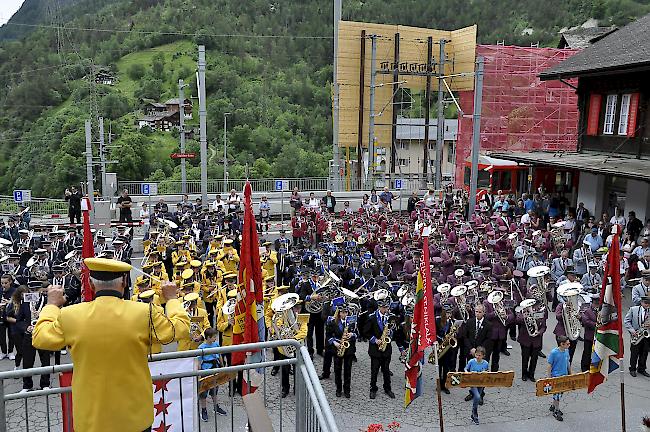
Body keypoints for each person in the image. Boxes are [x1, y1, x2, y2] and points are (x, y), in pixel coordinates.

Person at [32, 258, 190, 432]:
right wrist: (173, 299)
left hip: (91, 419)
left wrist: (52, 305)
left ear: (91, 284)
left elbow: (40, 338)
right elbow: (180, 329)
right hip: (134, 416)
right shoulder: (144, 312)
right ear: (123, 282)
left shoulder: (70, 315)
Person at [363, 296, 395, 400]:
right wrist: (375, 340)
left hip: (386, 349)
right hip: (375, 349)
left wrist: (390, 333)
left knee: (386, 370)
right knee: (374, 370)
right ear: (379, 307)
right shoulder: (372, 317)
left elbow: (394, 330)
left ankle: (387, 388)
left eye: (387, 307)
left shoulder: (390, 317)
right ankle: (373, 389)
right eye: (384, 308)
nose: (386, 310)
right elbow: (366, 332)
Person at [326, 303, 356, 398]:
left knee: (348, 370)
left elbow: (357, 334)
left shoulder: (352, 322)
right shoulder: (333, 322)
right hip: (338, 347)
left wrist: (352, 335)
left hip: (349, 349)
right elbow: (328, 335)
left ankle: (347, 390)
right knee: (337, 369)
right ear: (339, 313)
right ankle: (338, 389)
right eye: (342, 312)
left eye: (346, 312)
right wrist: (335, 343)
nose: (345, 314)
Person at [197, 327, 227, 421]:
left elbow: (219, 356)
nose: (215, 339)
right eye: (214, 337)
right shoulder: (201, 348)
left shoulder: (216, 344)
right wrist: (199, 374)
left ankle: (216, 407)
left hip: (215, 370)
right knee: (203, 392)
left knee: (214, 390)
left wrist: (222, 366)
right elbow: (199, 362)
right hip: (206, 371)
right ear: (208, 337)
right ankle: (204, 409)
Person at [547, 335, 572, 422]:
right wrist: (549, 378)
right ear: (562, 344)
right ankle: (556, 411)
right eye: (567, 344)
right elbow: (549, 365)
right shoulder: (554, 352)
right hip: (556, 376)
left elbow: (567, 362)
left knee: (560, 393)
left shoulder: (566, 351)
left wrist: (570, 373)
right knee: (557, 395)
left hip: (564, 375)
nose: (569, 345)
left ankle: (553, 406)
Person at [624, 296, 650, 378]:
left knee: (644, 353)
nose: (647, 305)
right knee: (634, 353)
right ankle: (632, 369)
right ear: (641, 302)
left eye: (649, 303)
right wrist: (632, 331)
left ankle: (641, 369)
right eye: (645, 303)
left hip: (647, 335)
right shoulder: (633, 309)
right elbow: (626, 321)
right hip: (636, 334)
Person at [464, 346, 489, 425]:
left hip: (480, 383)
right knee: (478, 396)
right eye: (477, 355)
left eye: (479, 355)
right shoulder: (471, 361)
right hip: (472, 382)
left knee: (476, 398)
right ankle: (475, 414)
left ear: (483, 356)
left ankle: (473, 414)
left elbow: (488, 371)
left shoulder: (485, 363)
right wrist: (467, 373)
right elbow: (465, 369)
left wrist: (486, 372)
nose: (478, 357)